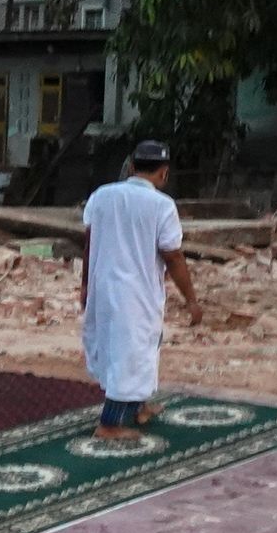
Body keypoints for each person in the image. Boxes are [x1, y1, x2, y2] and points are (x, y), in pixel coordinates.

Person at [79, 141, 199, 432]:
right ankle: (109, 424)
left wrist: (84, 284)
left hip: (105, 284)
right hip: (136, 291)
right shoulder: (162, 206)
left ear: (132, 166)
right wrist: (191, 299)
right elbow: (172, 255)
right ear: (164, 173)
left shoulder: (102, 195)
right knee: (129, 353)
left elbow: (89, 242)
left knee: (139, 347)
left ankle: (140, 406)